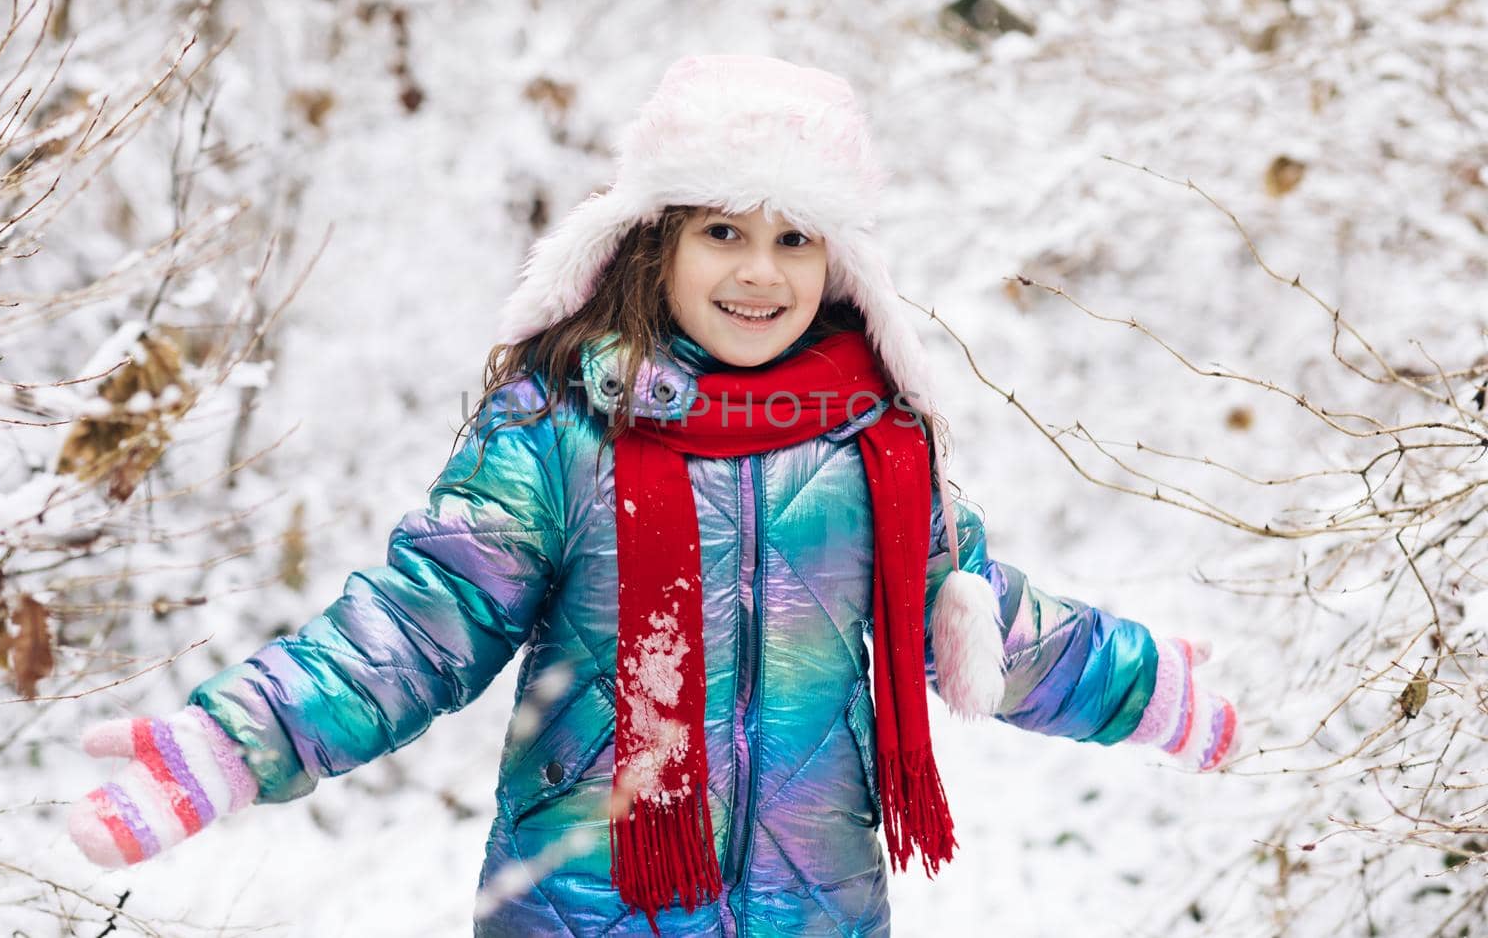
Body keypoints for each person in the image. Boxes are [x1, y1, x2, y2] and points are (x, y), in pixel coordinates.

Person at [68, 55, 1240, 935]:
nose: (758, 270)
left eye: (794, 237)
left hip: (812, 910)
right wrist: (230, 742)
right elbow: (413, 626)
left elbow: (982, 618)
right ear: (653, 244)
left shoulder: (873, 444)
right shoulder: (559, 429)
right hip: (585, 903)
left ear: (837, 262)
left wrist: (1151, 685)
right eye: (722, 229)